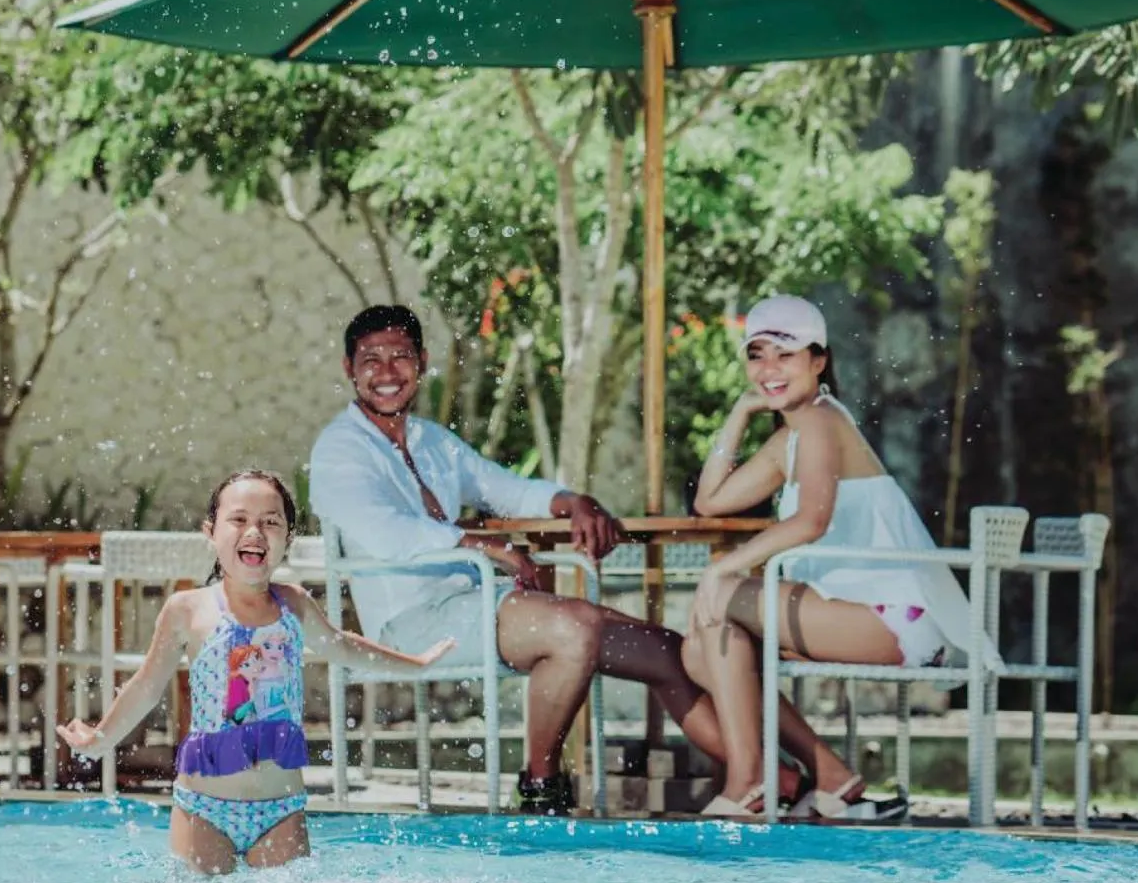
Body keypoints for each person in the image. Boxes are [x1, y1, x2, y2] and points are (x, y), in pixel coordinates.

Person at [308, 305, 837, 816]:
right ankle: (541, 783)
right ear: (349, 369)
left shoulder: (431, 441)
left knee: (665, 650)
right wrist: (484, 547)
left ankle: (775, 781)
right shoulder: (340, 449)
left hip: (479, 602)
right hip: (410, 626)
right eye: (370, 359)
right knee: (573, 627)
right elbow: (384, 531)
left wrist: (572, 503)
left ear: (422, 362)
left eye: (399, 356)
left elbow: (508, 491)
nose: (385, 372)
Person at [57, 470, 454, 875]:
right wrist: (100, 737)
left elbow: (342, 645)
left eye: (270, 521)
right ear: (211, 532)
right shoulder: (187, 609)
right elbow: (146, 686)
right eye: (239, 519)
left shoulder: (294, 605)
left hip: (280, 811)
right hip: (203, 810)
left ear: (288, 539)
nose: (255, 531)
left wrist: (416, 665)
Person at [684, 294, 990, 819]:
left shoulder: (823, 422)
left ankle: (748, 781)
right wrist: (738, 414)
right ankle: (828, 774)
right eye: (757, 355)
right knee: (703, 648)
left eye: (785, 354)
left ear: (819, 360)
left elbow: (811, 521)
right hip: (847, 612)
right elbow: (710, 501)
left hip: (894, 620)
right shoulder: (792, 437)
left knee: (723, 600)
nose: (769, 369)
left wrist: (724, 567)